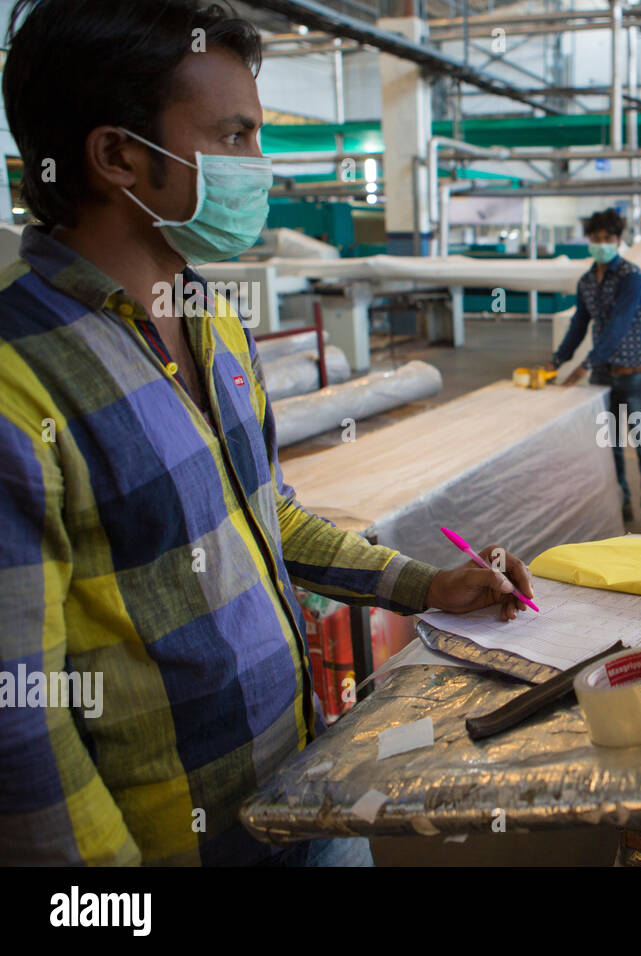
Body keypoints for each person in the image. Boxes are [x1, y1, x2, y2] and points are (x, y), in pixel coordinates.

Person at [0, 0, 533, 867]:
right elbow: (19, 728)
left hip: (301, 796)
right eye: (237, 136)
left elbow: (268, 519)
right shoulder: (20, 382)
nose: (261, 167)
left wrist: (430, 586)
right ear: (117, 157)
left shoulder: (209, 319)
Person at [549, 208, 641, 533]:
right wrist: (557, 360)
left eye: (608, 239)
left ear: (618, 239)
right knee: (611, 447)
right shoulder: (587, 281)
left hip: (636, 375)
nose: (602, 244)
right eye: (596, 238)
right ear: (589, 240)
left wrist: (583, 365)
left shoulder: (632, 277)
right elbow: (579, 324)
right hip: (604, 378)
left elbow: (617, 327)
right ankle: (622, 509)